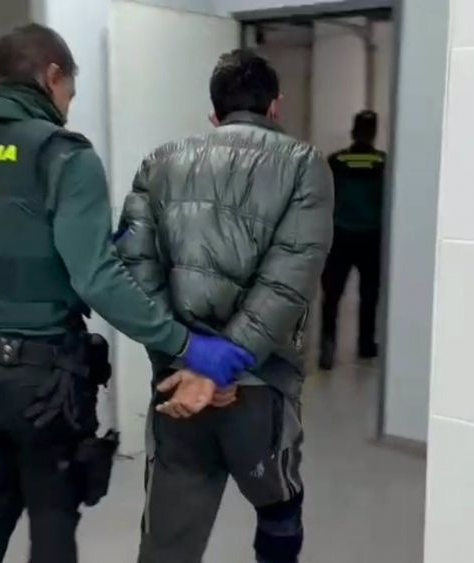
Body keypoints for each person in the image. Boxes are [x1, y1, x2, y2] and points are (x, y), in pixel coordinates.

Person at [0, 24, 254, 563]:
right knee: (52, 511)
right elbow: (96, 280)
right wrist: (186, 345)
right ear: (51, 76)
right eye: (69, 93)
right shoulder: (63, 156)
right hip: (41, 378)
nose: (67, 109)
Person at [115, 49, 334, 563]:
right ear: (275, 106)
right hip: (258, 387)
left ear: (214, 114)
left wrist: (188, 360)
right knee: (279, 508)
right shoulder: (304, 165)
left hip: (176, 388)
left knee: (168, 539)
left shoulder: (159, 162)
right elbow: (288, 280)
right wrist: (220, 367)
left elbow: (134, 271)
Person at [318, 110, 387, 370]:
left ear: (353, 131)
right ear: (373, 133)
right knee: (369, 295)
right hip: (371, 237)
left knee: (332, 295)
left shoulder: (336, 161)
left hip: (341, 236)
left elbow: (325, 198)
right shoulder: (382, 163)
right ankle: (366, 344)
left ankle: (327, 348)